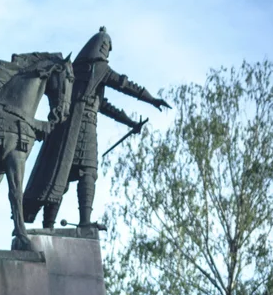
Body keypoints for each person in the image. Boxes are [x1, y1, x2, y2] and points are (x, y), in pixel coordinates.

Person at [23, 27, 171, 228]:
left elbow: (104, 106)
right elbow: (125, 85)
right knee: (87, 171)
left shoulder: (76, 70)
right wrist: (151, 99)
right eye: (108, 49)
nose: (108, 54)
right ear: (102, 47)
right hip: (83, 128)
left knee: (62, 174)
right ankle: (83, 222)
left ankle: (48, 224)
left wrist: (131, 123)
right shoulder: (99, 68)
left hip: (63, 130)